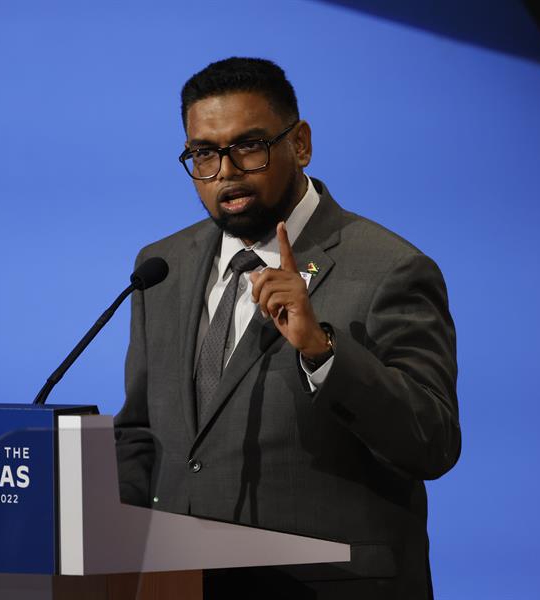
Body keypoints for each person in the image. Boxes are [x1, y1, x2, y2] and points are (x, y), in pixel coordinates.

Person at [114, 57, 460, 599]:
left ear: (299, 143)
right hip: (182, 584)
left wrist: (322, 352)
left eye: (248, 145)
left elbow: (432, 441)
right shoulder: (162, 267)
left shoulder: (388, 268)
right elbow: (141, 435)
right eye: (204, 153)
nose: (225, 171)